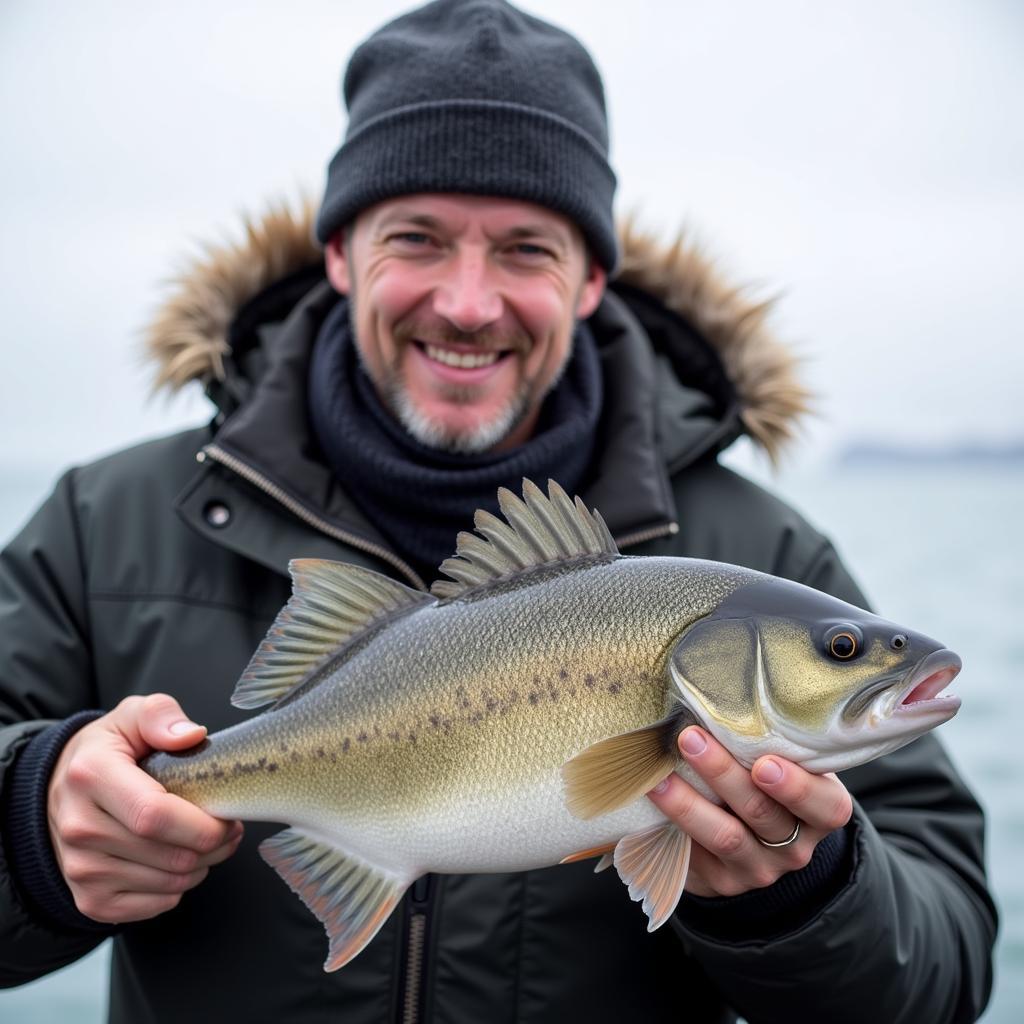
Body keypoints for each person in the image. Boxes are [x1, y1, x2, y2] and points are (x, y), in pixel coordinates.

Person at [0, 1, 996, 1021]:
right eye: (417, 238)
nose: (468, 302)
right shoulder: (99, 523)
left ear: (592, 277)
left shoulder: (768, 548)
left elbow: (944, 968)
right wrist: (33, 821)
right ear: (340, 250)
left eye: (526, 249)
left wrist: (806, 892)